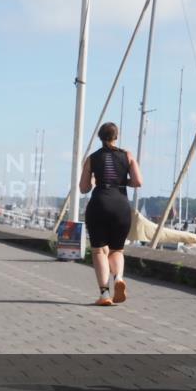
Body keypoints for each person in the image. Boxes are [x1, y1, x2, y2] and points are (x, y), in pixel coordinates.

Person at [79, 122, 143, 306]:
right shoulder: (127, 155)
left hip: (99, 203)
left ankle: (105, 294)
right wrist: (123, 182)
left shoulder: (92, 158)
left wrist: (92, 180)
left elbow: (84, 188)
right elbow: (138, 181)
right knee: (117, 250)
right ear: (117, 136)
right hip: (121, 205)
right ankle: (118, 279)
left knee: (99, 250)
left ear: (100, 137)